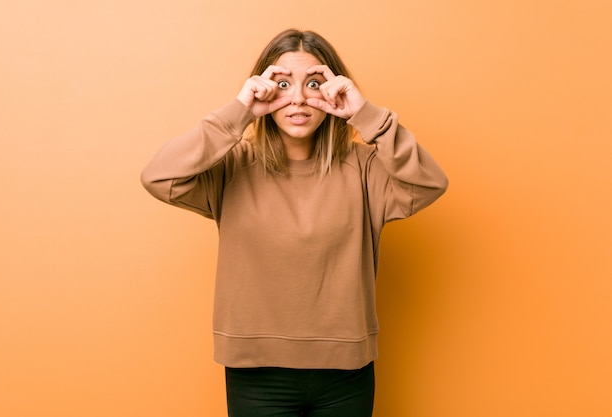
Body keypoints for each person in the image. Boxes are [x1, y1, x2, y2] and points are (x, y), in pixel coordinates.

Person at [141, 28, 448, 417]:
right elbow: (159, 177)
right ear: (261, 90)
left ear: (335, 91)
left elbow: (429, 183)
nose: (299, 98)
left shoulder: (365, 168)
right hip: (256, 373)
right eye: (282, 84)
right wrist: (237, 114)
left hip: (346, 373)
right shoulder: (233, 167)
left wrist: (365, 115)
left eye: (315, 84)